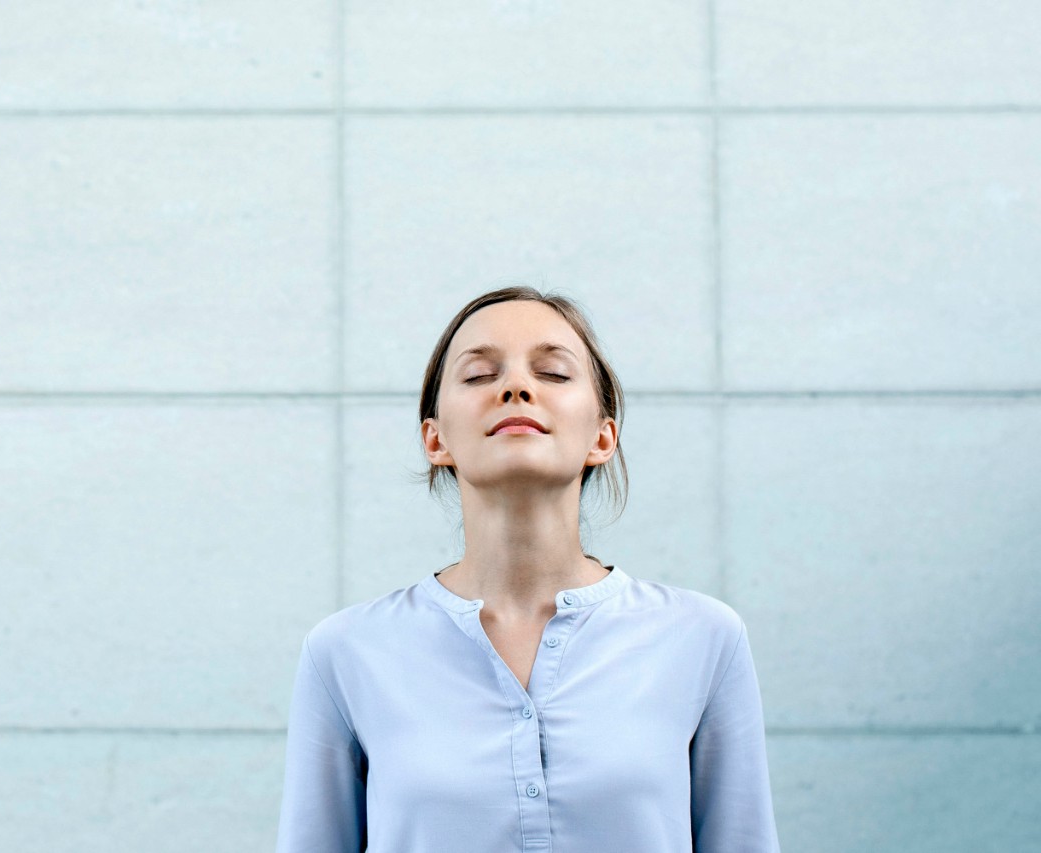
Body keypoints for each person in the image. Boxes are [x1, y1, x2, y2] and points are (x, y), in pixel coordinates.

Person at [274, 285, 781, 852]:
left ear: (602, 436)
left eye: (555, 373)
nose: (517, 388)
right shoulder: (346, 652)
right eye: (479, 375)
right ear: (435, 439)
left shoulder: (704, 638)